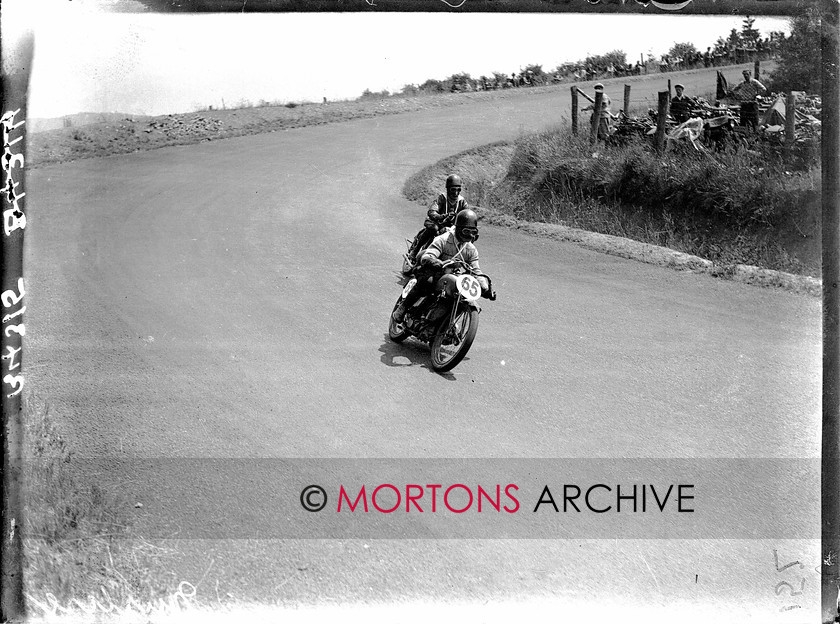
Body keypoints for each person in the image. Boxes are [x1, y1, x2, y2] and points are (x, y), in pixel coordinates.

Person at [393, 209, 490, 323]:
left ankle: (446, 322)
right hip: (432, 270)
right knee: (427, 282)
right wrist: (434, 261)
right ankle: (403, 308)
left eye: (473, 232)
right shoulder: (443, 239)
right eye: (466, 231)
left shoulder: (471, 250)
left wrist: (485, 287)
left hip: (451, 274)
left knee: (460, 295)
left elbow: (476, 270)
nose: (469, 235)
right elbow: (429, 254)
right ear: (458, 229)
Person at [407, 174, 470, 263]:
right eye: (453, 190)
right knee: (433, 229)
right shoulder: (442, 198)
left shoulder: (462, 202)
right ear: (448, 189)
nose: (456, 193)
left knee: (465, 236)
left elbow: (467, 214)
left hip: (451, 228)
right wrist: (443, 216)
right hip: (437, 223)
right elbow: (432, 211)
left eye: (458, 190)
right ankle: (415, 251)